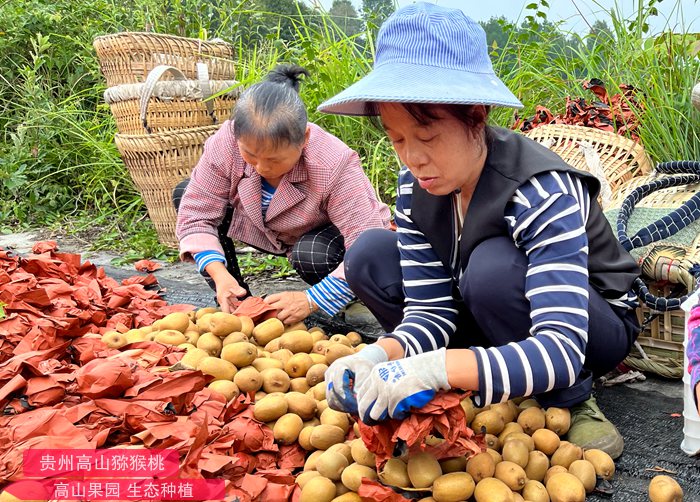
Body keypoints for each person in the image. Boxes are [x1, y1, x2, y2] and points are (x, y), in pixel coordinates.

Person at [319, 3, 640, 460]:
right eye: (396, 138)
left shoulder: (541, 191)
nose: (412, 158)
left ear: (476, 115)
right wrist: (379, 355)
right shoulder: (415, 189)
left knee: (491, 269)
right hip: (487, 307)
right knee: (369, 254)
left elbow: (562, 346)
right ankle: (484, 371)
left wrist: (434, 368)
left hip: (586, 329)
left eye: (426, 138)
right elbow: (430, 311)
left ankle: (571, 400)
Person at [175, 64, 392, 326]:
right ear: (236, 135)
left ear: (305, 138)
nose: (262, 168)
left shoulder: (334, 162)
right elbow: (197, 213)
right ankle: (235, 298)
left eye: (274, 159)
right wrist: (219, 274)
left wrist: (312, 299)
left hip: (324, 237)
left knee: (312, 253)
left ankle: (345, 293)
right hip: (262, 227)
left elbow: (365, 243)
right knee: (186, 192)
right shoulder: (226, 144)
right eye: (250, 156)